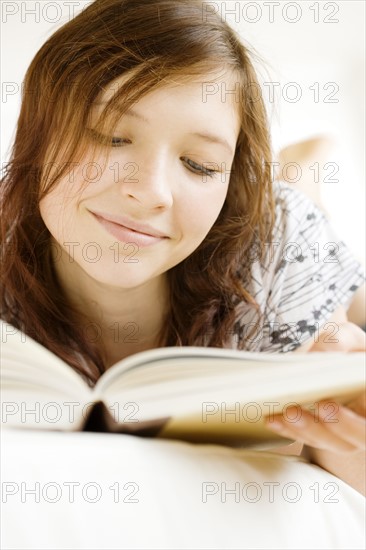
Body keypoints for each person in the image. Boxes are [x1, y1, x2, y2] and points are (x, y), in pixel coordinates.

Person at [1, 0, 365, 495]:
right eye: (111, 137)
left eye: (199, 165)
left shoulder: (281, 248)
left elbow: (342, 464)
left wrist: (346, 445)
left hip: (275, 228)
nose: (150, 192)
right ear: (35, 133)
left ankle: (302, 166)